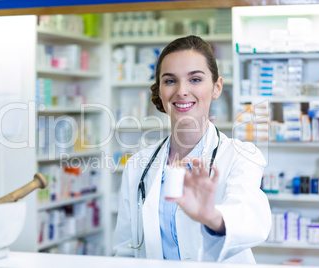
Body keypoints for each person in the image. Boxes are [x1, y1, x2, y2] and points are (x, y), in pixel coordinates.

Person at [113, 35, 271, 263]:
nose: (182, 91)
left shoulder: (240, 156)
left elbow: (251, 216)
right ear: (159, 91)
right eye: (170, 81)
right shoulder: (138, 166)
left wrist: (212, 217)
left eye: (195, 79)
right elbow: (125, 250)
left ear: (216, 88)